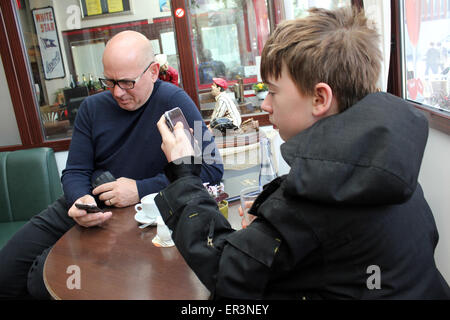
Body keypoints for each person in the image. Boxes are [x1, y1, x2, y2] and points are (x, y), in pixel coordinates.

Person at [155, 7, 450, 299]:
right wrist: (273, 229)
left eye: (273, 91)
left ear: (320, 98)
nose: (266, 105)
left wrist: (184, 172)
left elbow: (226, 274)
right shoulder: (384, 165)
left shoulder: (318, 196)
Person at [0, 30, 223, 299]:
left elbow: (211, 168)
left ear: (153, 72)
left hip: (137, 216)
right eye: (110, 81)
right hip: (87, 203)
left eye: (127, 82)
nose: (118, 92)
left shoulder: (175, 103)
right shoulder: (91, 108)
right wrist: (80, 200)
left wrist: (139, 189)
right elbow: (75, 171)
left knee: (45, 281)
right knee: (6, 272)